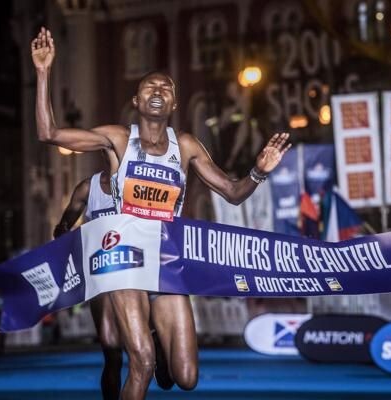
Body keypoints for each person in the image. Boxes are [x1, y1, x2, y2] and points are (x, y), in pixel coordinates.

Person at [32, 26, 290, 400]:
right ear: (136, 101)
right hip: (123, 258)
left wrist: (259, 171)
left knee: (186, 377)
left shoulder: (185, 146)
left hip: (166, 259)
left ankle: (155, 335)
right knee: (140, 362)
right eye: (150, 87)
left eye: (165, 88)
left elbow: (233, 193)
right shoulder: (118, 139)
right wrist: (43, 72)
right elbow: (49, 133)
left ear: (174, 103)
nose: (158, 91)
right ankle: (146, 350)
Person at [53, 153, 122, 399]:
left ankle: (158, 348)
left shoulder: (140, 185)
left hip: (138, 273)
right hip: (102, 276)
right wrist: (69, 235)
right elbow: (61, 229)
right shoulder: (88, 188)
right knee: (112, 353)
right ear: (104, 152)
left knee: (142, 352)